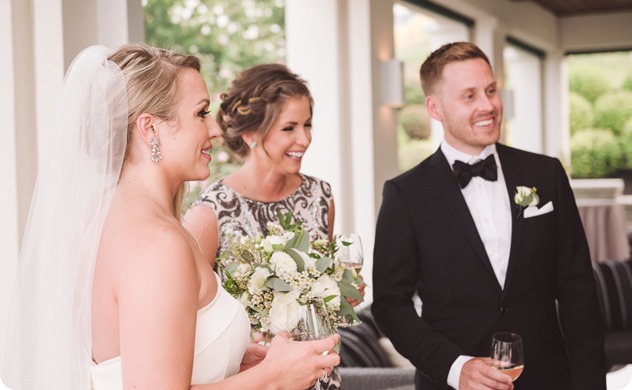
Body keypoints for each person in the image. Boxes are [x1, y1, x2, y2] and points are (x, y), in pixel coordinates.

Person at [1, 43, 339, 390]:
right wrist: (273, 378)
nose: (215, 131)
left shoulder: (104, 220)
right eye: (201, 113)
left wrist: (234, 359)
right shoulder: (156, 243)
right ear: (150, 129)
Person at [371, 41, 606, 390]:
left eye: (491, 90)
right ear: (435, 108)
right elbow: (390, 305)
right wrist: (455, 367)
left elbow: (578, 290)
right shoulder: (405, 194)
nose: (489, 105)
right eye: (469, 96)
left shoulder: (546, 174)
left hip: (548, 379)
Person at [184, 63, 342, 390]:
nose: (305, 138)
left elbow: (323, 292)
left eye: (308, 124)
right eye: (289, 128)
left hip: (320, 374)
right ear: (251, 134)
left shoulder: (320, 197)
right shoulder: (210, 213)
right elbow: (192, 322)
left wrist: (340, 291)